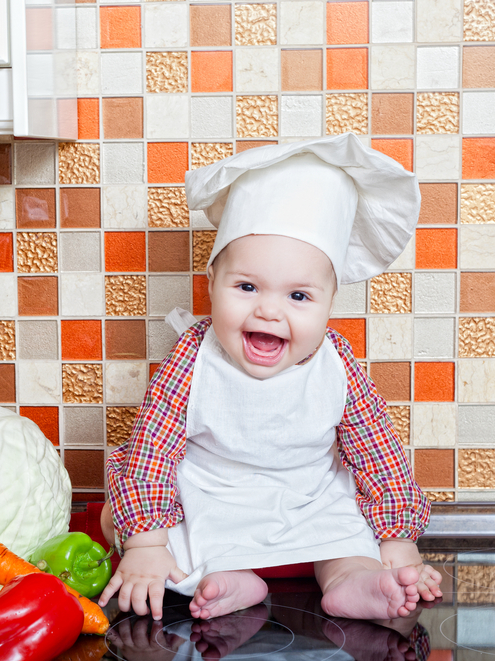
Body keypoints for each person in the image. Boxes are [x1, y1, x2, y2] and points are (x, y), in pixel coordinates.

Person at [98, 134, 442, 623]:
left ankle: (351, 580)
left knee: (347, 528)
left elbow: (377, 450)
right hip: (214, 497)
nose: (268, 309)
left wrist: (399, 540)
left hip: (310, 497)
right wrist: (147, 545)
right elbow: (153, 449)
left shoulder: (335, 363)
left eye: (298, 297)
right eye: (246, 286)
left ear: (329, 305)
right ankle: (232, 582)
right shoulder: (191, 359)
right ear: (211, 284)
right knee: (155, 540)